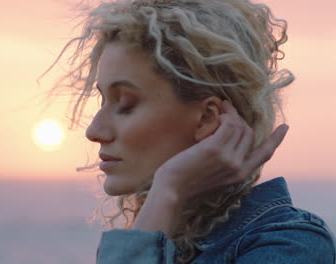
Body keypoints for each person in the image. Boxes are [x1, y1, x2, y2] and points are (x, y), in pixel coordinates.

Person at [40, 0, 336, 263]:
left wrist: (168, 189)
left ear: (207, 118)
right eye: (102, 100)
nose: (94, 130)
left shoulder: (291, 245)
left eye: (126, 104)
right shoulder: (168, 234)